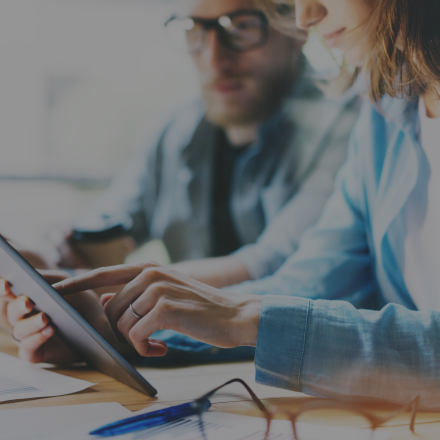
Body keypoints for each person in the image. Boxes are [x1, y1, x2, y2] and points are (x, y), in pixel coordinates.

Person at [14, 0, 439, 410]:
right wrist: (115, 329)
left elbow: (269, 266)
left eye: (241, 27)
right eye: (195, 32)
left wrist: (243, 316)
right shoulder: (385, 112)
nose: (305, 16)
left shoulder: (339, 116)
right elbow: (309, 283)